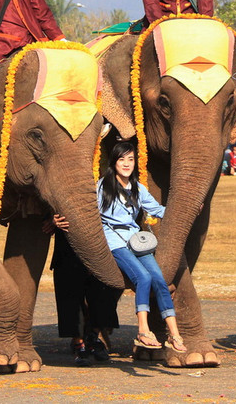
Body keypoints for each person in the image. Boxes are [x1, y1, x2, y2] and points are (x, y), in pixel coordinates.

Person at [98, 141, 186, 353]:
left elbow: (157, 210)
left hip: (135, 239)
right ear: (114, 162)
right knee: (143, 278)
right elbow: (92, 214)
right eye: (122, 159)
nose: (126, 164)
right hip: (114, 240)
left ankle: (174, 334)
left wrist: (185, 208)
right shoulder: (103, 185)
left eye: (131, 159)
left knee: (160, 279)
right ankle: (143, 330)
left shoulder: (138, 187)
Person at [47, 213, 120, 366]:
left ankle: (94, 336)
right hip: (68, 243)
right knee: (71, 293)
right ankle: (78, 343)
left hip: (99, 242)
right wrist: (51, 219)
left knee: (102, 291)